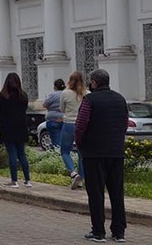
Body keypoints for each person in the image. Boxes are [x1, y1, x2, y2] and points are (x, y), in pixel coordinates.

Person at [75, 69, 129, 243]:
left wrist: (79, 143)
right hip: (116, 152)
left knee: (96, 193)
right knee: (117, 193)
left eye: (91, 82)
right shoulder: (120, 99)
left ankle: (98, 231)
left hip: (94, 153)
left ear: (94, 83)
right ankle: (119, 232)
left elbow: (81, 124)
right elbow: (124, 123)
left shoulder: (90, 100)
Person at [0, 72, 31, 188]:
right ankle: (27, 180)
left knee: (12, 153)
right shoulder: (23, 95)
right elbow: (25, 108)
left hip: (7, 127)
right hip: (21, 126)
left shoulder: (3, 96)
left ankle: (14, 180)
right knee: (22, 154)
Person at [61, 71, 87, 190]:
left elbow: (62, 108)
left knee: (65, 151)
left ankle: (73, 172)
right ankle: (81, 179)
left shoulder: (65, 93)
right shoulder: (87, 93)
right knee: (82, 153)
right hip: (83, 125)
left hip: (69, 124)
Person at [42, 78, 66, 150]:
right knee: (64, 140)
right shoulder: (66, 94)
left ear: (55, 87)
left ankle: (57, 154)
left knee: (55, 141)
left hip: (53, 119)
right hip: (64, 118)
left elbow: (45, 105)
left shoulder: (53, 95)